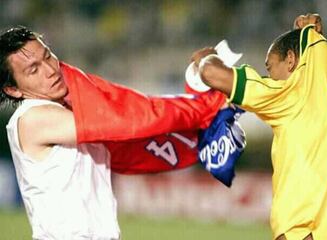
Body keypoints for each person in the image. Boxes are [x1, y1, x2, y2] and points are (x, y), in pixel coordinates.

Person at [0, 27, 231, 239]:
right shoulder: (33, 119)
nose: (50, 70)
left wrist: (198, 131)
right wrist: (206, 104)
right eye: (33, 70)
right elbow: (127, 121)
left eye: (48, 55)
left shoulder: (71, 108)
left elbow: (132, 141)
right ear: (13, 90)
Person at [191, 14, 327, 240]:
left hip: (305, 229)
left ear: (291, 60)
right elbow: (318, 53)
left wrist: (206, 58)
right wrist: (308, 32)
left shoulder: (291, 94)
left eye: (270, 67)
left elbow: (213, 74)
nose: (269, 76)